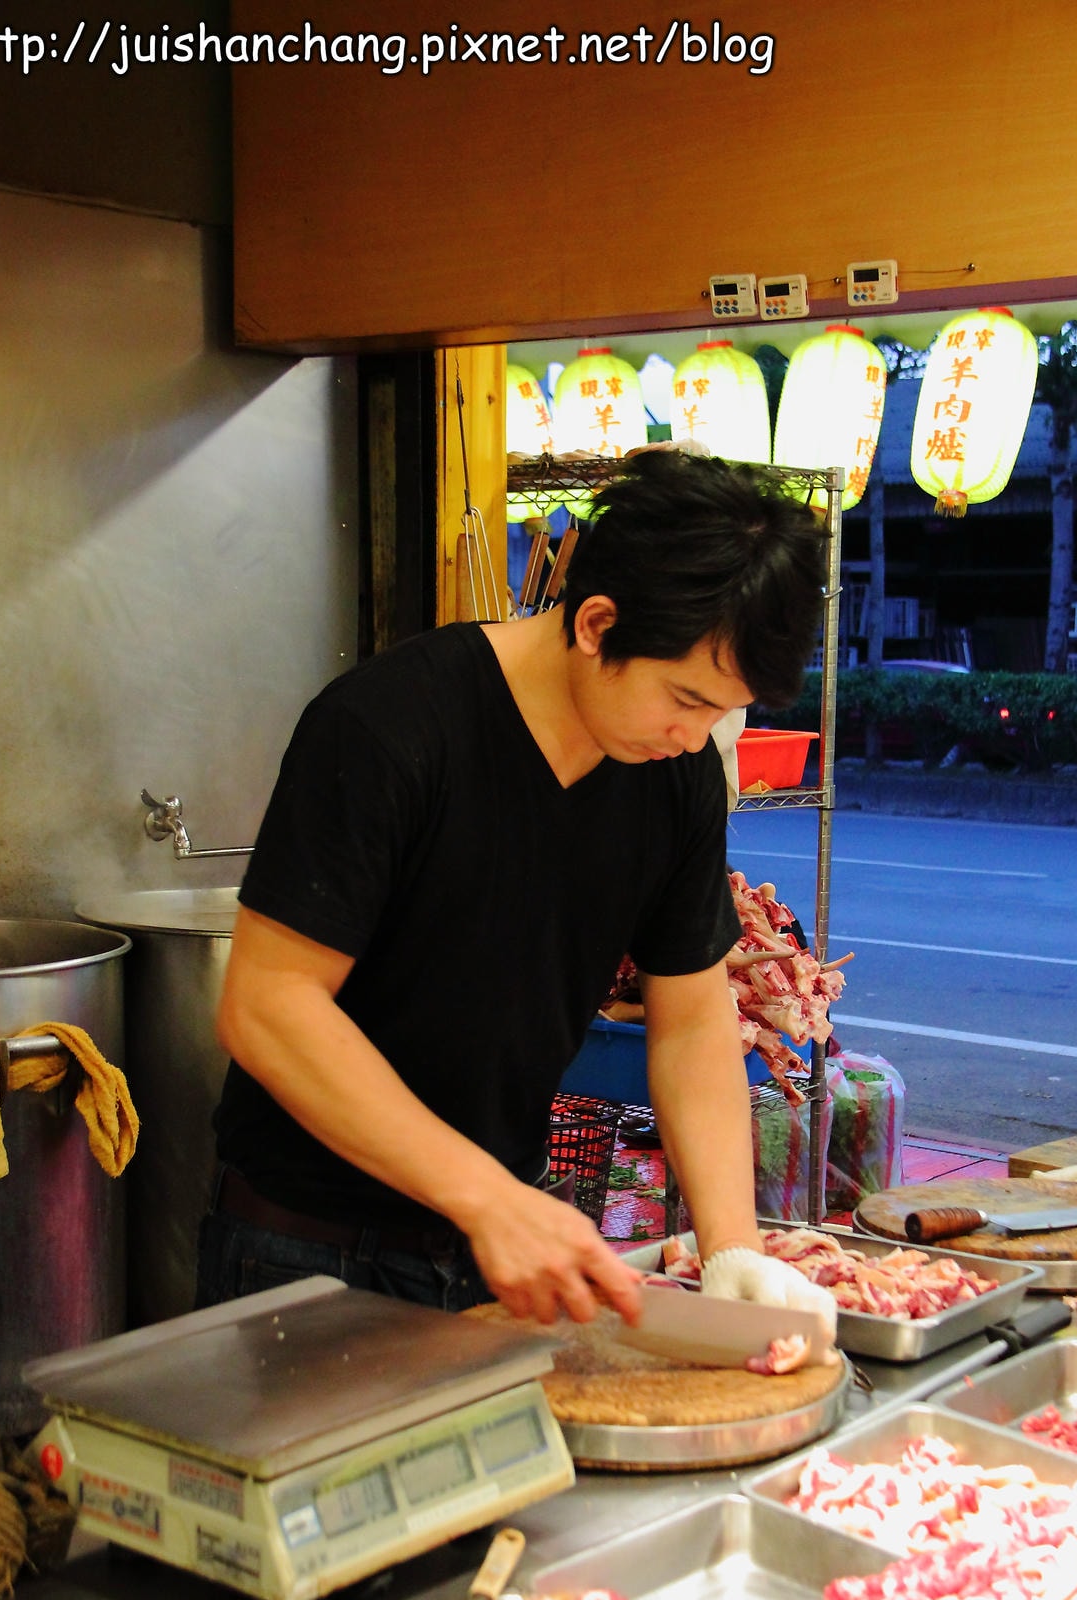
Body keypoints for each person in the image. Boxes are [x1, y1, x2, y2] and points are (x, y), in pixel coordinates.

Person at [196, 451, 837, 1348]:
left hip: (498, 1252)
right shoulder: (390, 727)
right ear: (596, 623)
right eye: (685, 699)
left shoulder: (676, 772)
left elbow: (691, 1020)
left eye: (721, 715)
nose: (697, 737)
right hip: (305, 1248)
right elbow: (267, 1006)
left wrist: (731, 1248)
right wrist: (488, 1195)